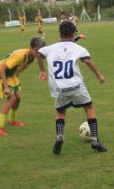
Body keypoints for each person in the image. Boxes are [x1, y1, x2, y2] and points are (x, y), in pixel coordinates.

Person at [37, 21, 107, 154]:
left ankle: (60, 136)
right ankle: (95, 139)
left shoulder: (50, 48)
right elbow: (87, 61)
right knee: (89, 108)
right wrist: (99, 75)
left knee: (61, 112)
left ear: (59, 34)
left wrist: (42, 70)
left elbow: (39, 54)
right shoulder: (79, 49)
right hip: (76, 86)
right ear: (74, 34)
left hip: (59, 88)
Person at [0, 37, 46, 136]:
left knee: (18, 98)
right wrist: (7, 87)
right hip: (1, 72)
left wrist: (42, 70)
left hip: (11, 74)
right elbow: (3, 69)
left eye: (40, 51)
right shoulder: (20, 56)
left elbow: (39, 59)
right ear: (31, 47)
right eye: (36, 50)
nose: (38, 53)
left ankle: (12, 120)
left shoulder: (31, 56)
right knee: (11, 98)